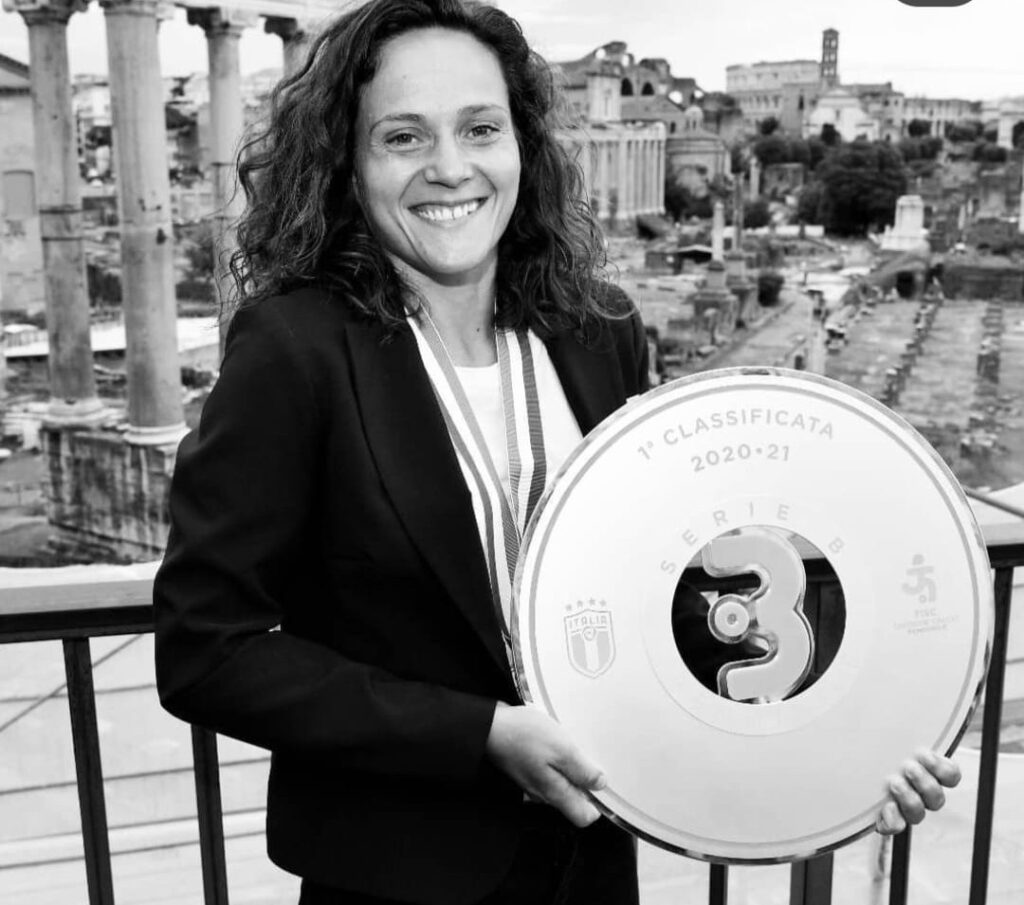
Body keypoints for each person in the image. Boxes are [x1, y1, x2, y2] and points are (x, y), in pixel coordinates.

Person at [152, 2, 961, 904]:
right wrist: (478, 733)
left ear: (523, 146)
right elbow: (207, 650)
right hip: (400, 875)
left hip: (589, 863)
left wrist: (847, 743)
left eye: (480, 128)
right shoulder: (294, 352)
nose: (450, 166)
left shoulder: (598, 330)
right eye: (404, 137)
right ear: (348, 163)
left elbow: (662, 591)